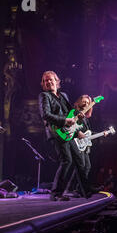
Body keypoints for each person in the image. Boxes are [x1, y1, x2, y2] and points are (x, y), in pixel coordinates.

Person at [38, 71, 95, 201]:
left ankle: (86, 190)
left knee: (79, 160)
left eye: (50, 80)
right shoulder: (44, 96)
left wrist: (79, 117)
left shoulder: (63, 96)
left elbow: (72, 113)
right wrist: (64, 121)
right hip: (57, 132)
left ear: (57, 82)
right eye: (45, 80)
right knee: (67, 160)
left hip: (68, 131)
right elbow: (45, 115)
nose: (48, 82)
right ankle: (56, 193)